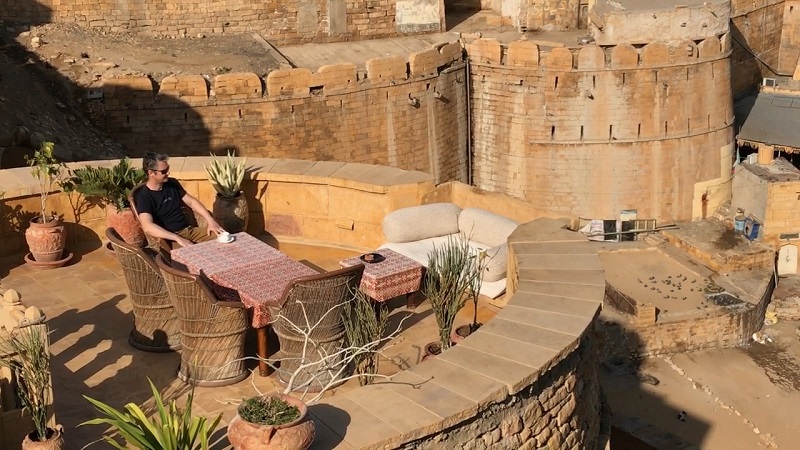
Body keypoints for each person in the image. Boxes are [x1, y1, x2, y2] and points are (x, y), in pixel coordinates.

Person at [134, 152, 224, 248]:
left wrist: (210, 221)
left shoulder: (172, 183)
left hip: (189, 231)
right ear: (151, 173)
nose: (168, 173)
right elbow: (148, 226)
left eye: (168, 169)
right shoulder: (144, 197)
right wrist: (177, 238)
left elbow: (192, 202)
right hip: (169, 239)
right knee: (197, 255)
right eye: (164, 171)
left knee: (223, 236)